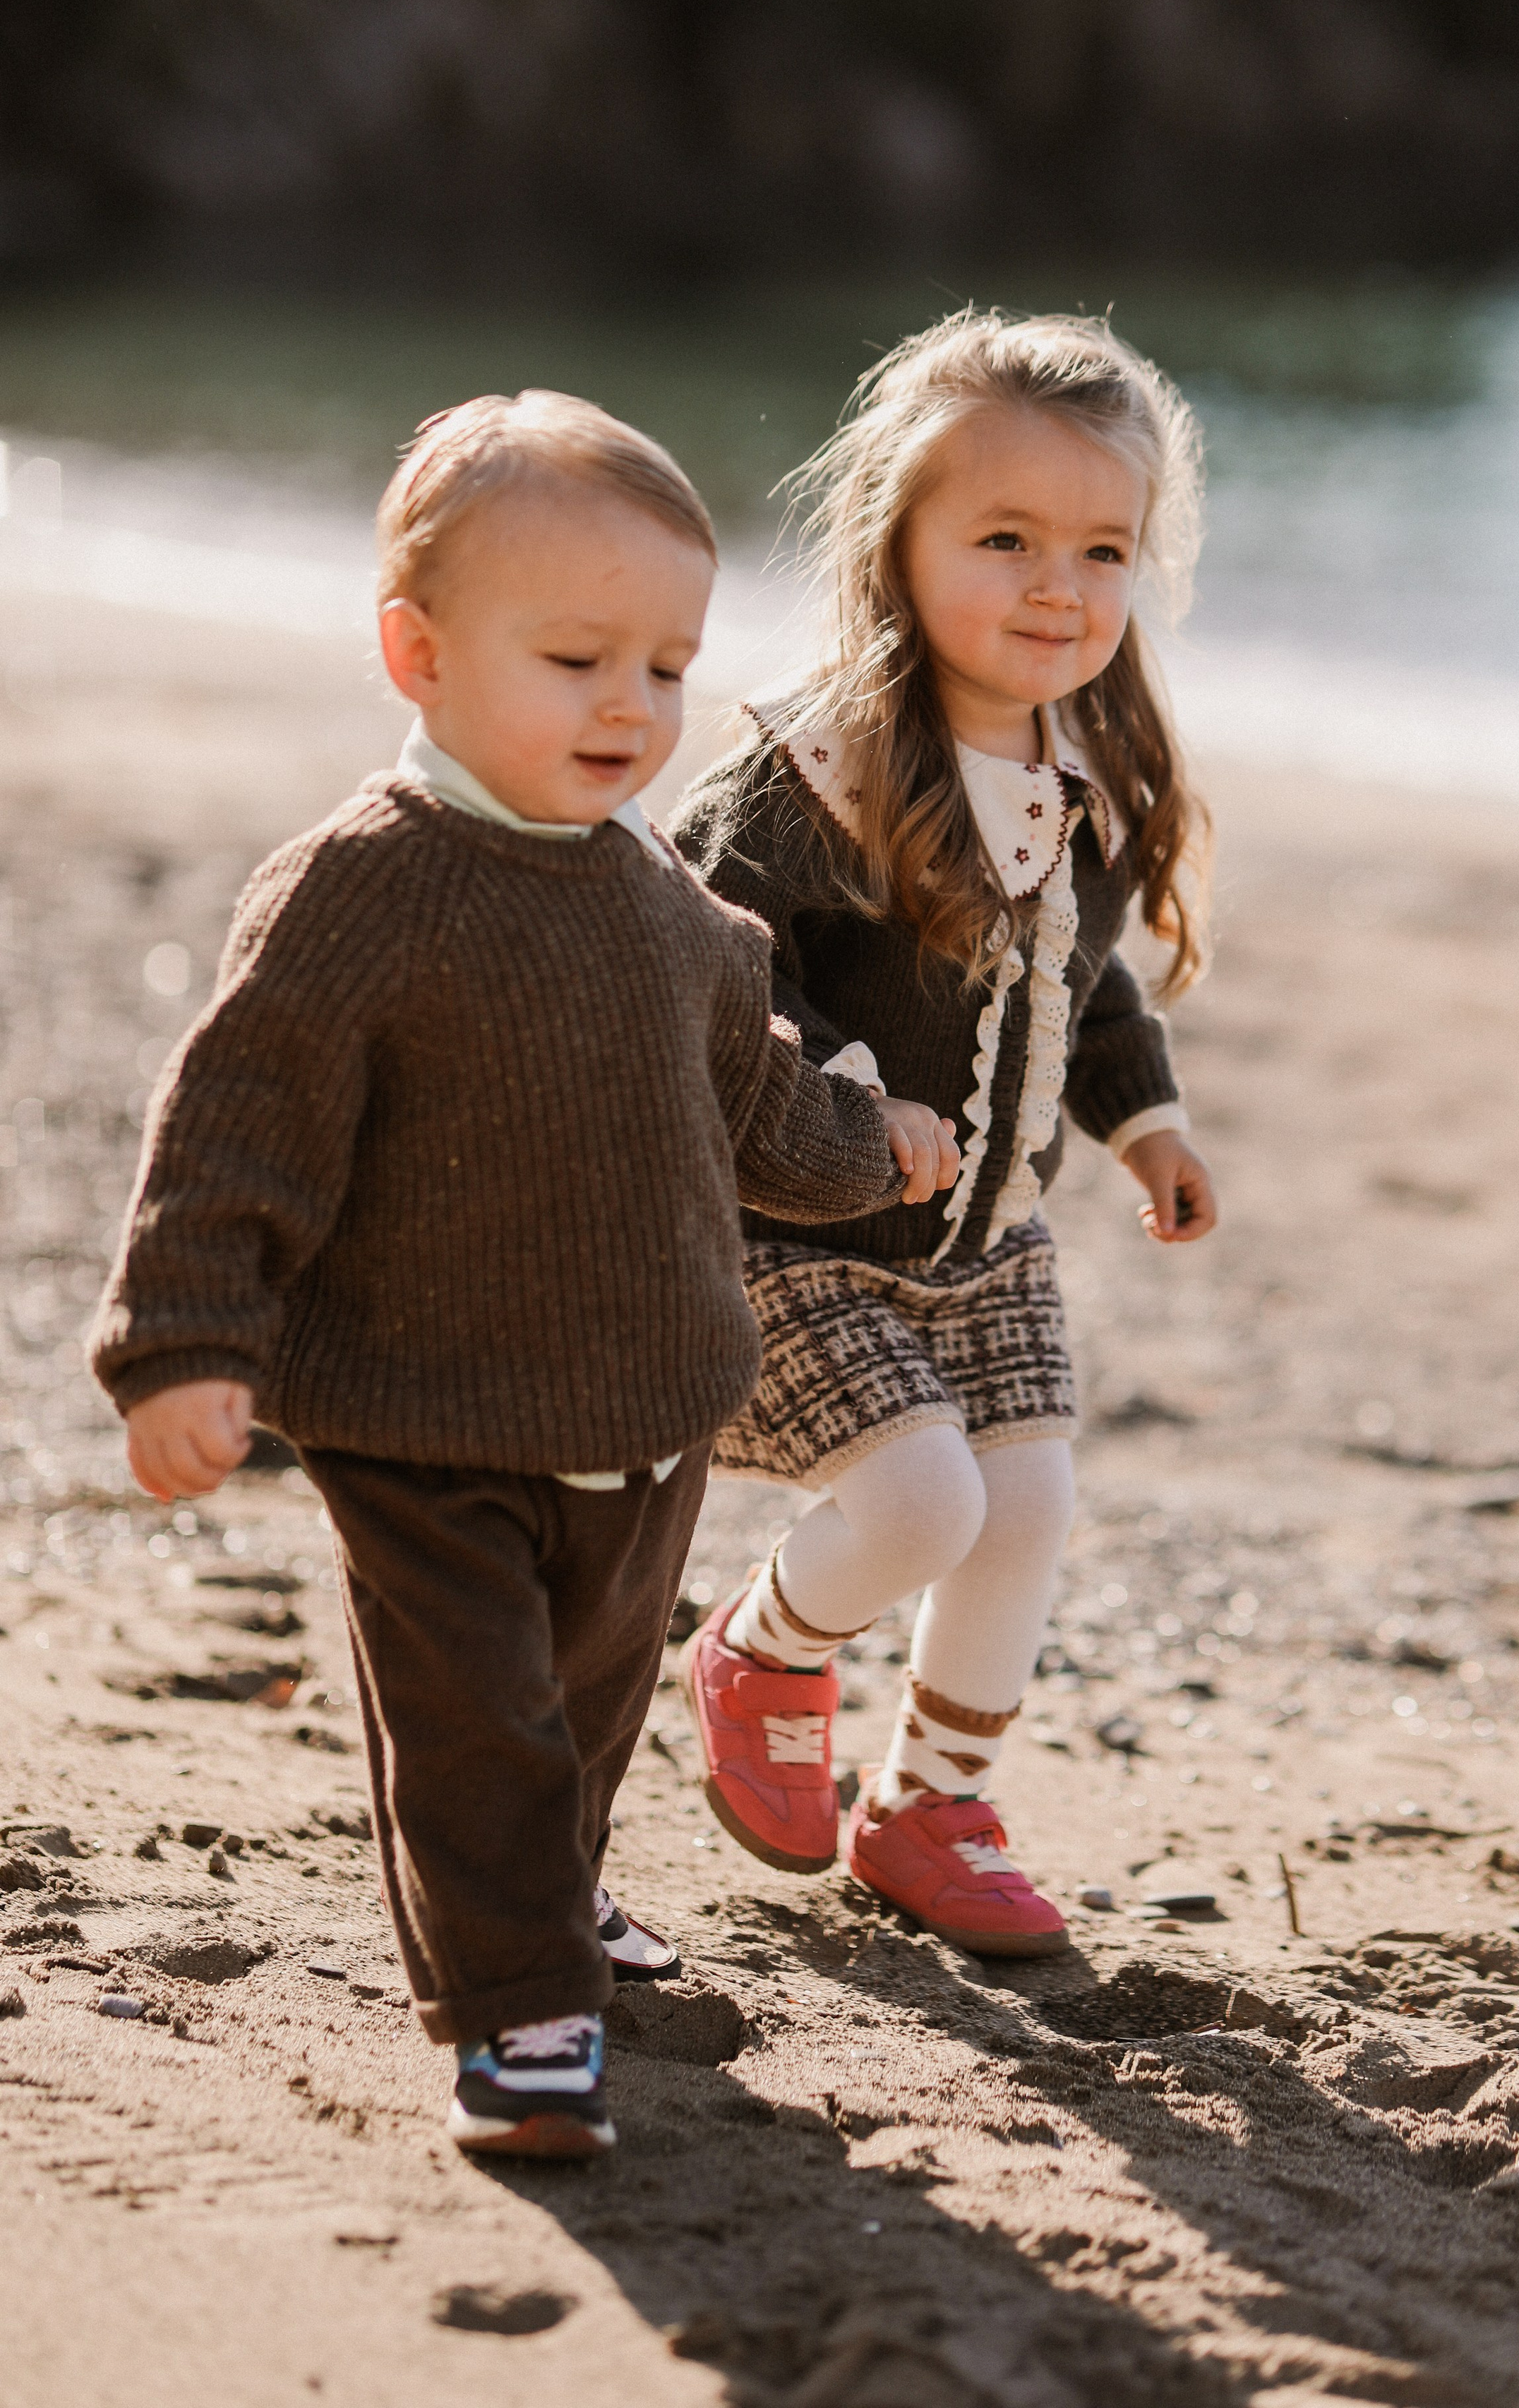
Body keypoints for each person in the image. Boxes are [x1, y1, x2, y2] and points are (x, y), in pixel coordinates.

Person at [88, 390, 956, 2157]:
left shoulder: (670, 906)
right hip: (424, 1414)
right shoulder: (359, 890)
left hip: (646, 1400)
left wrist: (875, 1146)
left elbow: (755, 1104)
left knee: (589, 1692)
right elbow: (237, 1127)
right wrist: (182, 1344)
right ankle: (522, 2009)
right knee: (477, 1717)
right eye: (574, 662)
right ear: (417, 653)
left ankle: (557, 1897)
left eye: (667, 668)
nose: (630, 707)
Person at [671, 310, 1218, 1957]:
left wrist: (1146, 1128)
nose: (1059, 587)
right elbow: (704, 958)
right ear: (892, 542)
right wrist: (846, 1086)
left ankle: (930, 1806)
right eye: (1004, 540)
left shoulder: (1085, 785)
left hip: (986, 1245)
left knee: (1025, 1506)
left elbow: (1083, 990)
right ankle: (761, 1653)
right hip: (797, 1233)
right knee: (922, 1509)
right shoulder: (814, 768)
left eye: (1102, 551)